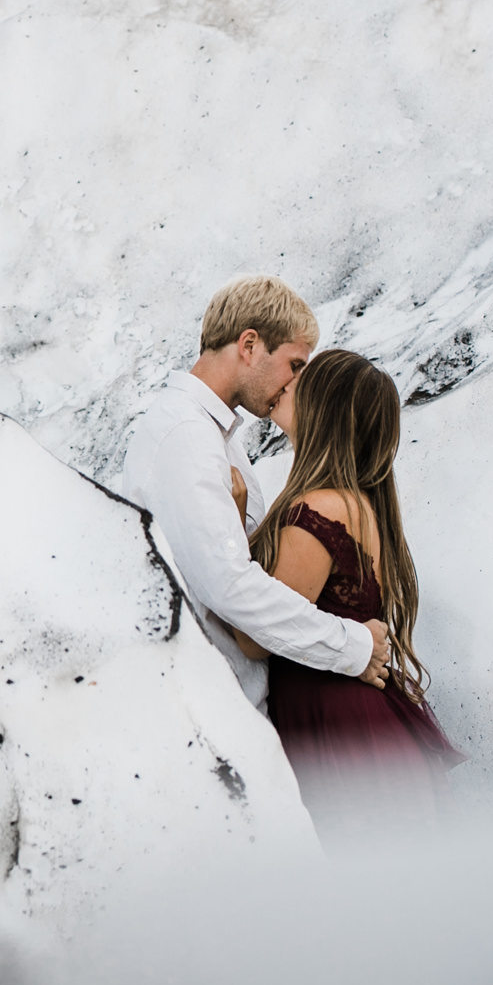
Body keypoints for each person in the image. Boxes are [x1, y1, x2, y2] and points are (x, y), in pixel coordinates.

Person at [119, 277, 392, 717]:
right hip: (215, 711)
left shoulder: (214, 435)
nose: (296, 384)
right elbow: (232, 587)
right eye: (295, 365)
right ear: (249, 345)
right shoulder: (188, 436)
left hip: (235, 706)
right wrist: (353, 647)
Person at [238, 347, 465, 829]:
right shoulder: (355, 503)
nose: (287, 379)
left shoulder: (318, 510)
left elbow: (255, 637)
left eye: (302, 375)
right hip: (362, 726)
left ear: (324, 406)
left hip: (341, 730)